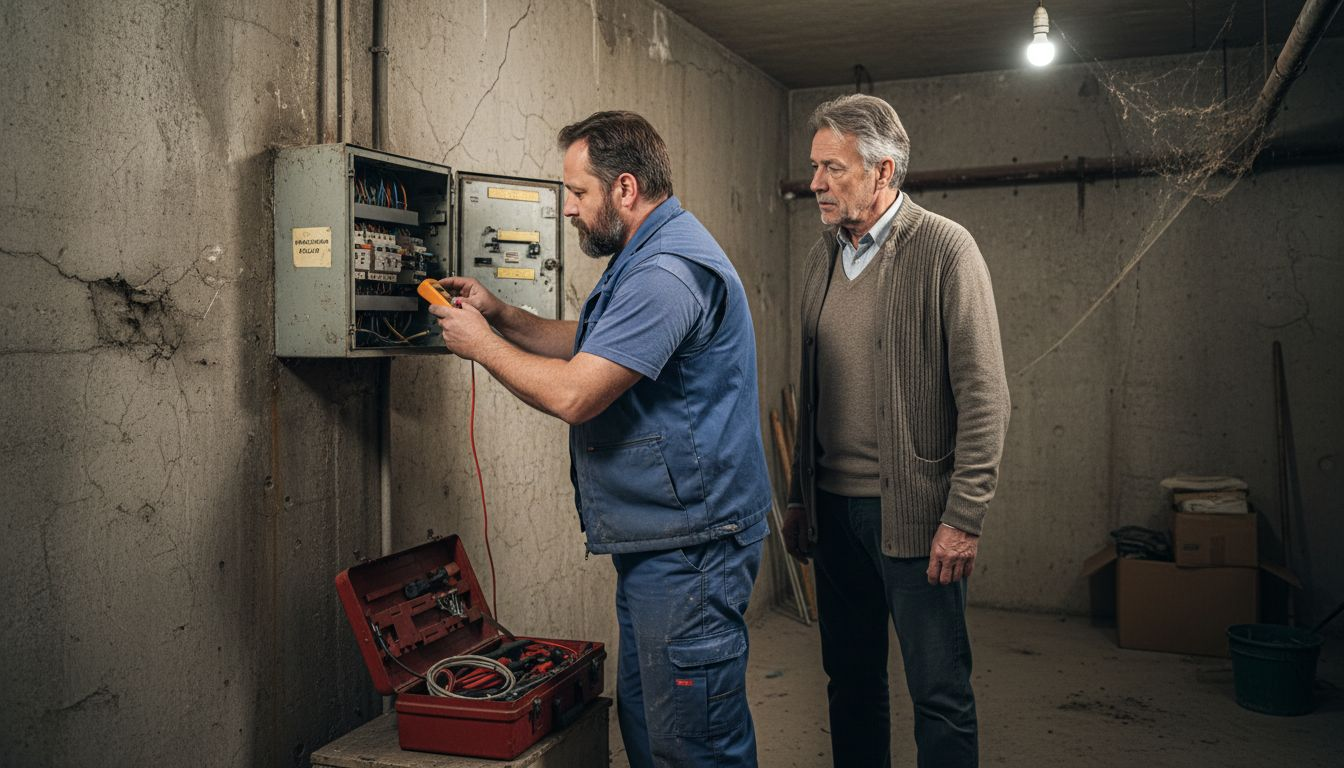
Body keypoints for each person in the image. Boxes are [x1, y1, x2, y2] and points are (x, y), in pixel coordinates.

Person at [430, 111, 770, 768]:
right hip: (661, 542)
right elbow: (600, 348)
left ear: (624, 190)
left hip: (690, 551)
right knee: (649, 725)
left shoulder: (665, 272)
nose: (568, 209)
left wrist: (482, 346)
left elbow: (575, 392)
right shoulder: (644, 255)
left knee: (692, 745)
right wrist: (501, 314)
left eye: (579, 193)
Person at [783, 94, 1010, 768]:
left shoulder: (944, 248)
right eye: (815, 167)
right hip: (834, 514)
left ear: (884, 172)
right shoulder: (822, 257)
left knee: (939, 693)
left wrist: (963, 516)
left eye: (835, 168)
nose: (817, 183)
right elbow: (812, 390)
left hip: (914, 520)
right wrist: (799, 494)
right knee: (850, 683)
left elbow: (986, 395)